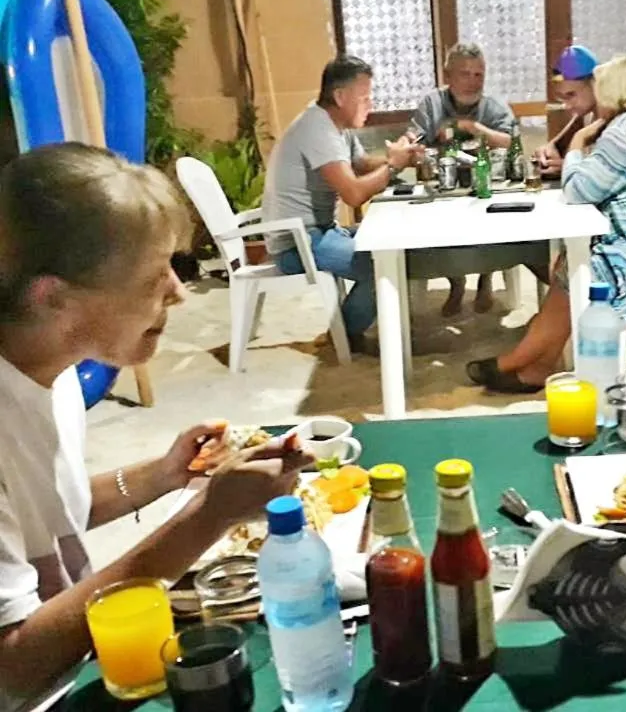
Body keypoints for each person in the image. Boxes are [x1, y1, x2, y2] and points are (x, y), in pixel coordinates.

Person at [0, 143, 311, 709]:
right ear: (53, 298)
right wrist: (209, 515)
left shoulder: (56, 374)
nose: (180, 292)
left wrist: (164, 475)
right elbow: (13, 668)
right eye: (151, 279)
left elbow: (44, 515)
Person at [466, 54, 626, 393]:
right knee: (574, 258)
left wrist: (576, 143)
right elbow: (605, 178)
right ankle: (537, 364)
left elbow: (577, 191)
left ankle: (519, 360)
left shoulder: (625, 131)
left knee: (581, 261)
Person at [263, 55, 421, 352]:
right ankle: (343, 336)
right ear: (339, 96)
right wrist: (392, 167)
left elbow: (360, 164)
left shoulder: (336, 126)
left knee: (393, 244)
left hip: (323, 230)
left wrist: (399, 158)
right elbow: (353, 193)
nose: (370, 104)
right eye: (364, 98)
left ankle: (349, 330)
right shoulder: (317, 129)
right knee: (385, 264)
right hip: (298, 241)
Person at [406, 43, 539, 316]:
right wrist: (414, 147)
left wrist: (474, 128)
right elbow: (414, 139)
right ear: (447, 76)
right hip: (443, 189)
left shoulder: (494, 105)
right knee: (432, 227)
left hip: (487, 186)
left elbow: (513, 141)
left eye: (479, 75)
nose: (472, 82)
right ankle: (456, 283)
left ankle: (486, 279)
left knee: (496, 223)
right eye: (465, 74)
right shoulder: (432, 103)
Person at [536, 44, 600, 177]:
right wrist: (545, 153)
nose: (567, 106)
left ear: (595, 83)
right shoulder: (584, 116)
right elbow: (553, 146)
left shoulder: (616, 119)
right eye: (562, 98)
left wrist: (568, 166)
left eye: (571, 95)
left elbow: (608, 174)